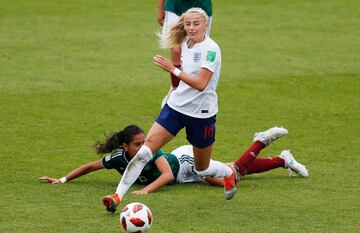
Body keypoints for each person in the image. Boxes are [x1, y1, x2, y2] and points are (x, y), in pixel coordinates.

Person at [100, 8, 291, 213]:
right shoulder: (184, 42)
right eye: (188, 24)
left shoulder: (211, 49)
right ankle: (117, 198)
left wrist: (172, 70)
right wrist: (174, 87)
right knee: (144, 153)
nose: (191, 28)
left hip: (201, 115)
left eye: (196, 24)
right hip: (175, 108)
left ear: (206, 24)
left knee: (202, 168)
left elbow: (201, 83)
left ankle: (228, 173)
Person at [39, 125, 309, 198]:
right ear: (125, 147)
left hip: (186, 161)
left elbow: (167, 175)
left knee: (233, 174)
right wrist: (61, 180)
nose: (145, 145)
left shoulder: (152, 152)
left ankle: (261, 141)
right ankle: (283, 160)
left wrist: (146, 190)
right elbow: (89, 166)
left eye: (145, 141)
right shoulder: (119, 158)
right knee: (235, 175)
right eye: (138, 143)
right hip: (185, 176)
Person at [157, 0, 213, 107]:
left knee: (196, 48)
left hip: (201, 5)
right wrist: (160, 7)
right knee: (176, 50)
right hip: (175, 5)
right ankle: (175, 89)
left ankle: (190, 90)